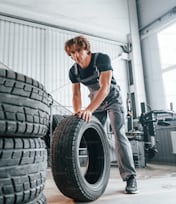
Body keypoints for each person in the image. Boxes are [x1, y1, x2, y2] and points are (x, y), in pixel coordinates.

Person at [64, 35, 138, 194]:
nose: (75, 56)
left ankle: (130, 177)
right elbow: (76, 95)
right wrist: (78, 113)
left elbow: (104, 88)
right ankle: (94, 174)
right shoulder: (74, 71)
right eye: (72, 54)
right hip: (96, 103)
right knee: (93, 137)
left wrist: (89, 109)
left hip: (112, 99)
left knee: (119, 134)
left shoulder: (101, 59)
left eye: (78, 51)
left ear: (86, 48)